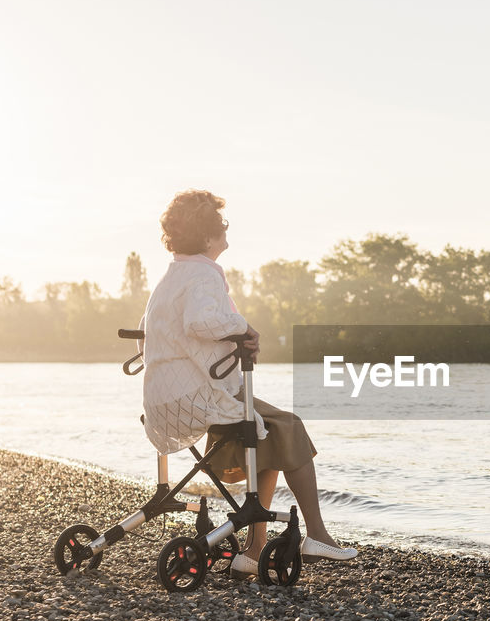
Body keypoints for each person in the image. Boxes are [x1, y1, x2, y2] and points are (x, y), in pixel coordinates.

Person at [141, 189, 356, 573]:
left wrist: (233, 337)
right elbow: (200, 322)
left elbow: (153, 332)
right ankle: (318, 535)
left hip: (162, 401)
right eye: (221, 226)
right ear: (207, 237)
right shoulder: (204, 273)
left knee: (269, 432)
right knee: (290, 426)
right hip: (195, 397)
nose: (226, 232)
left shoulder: (170, 277)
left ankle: (255, 551)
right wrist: (244, 329)